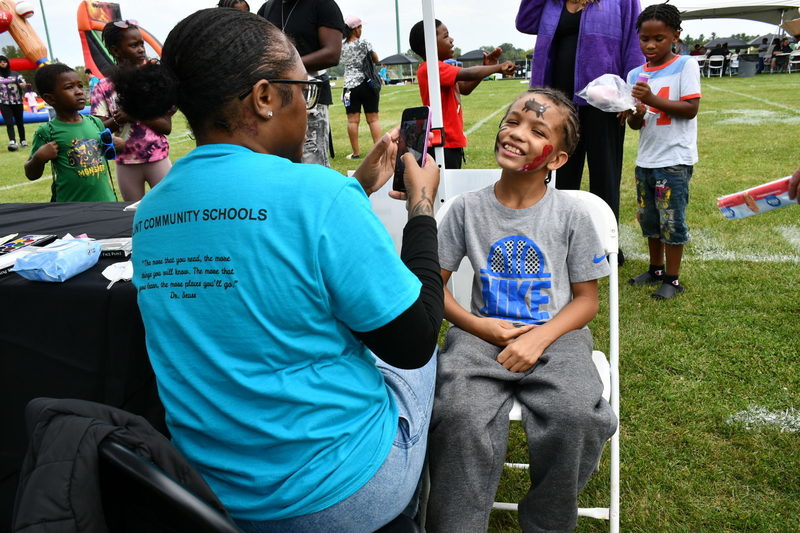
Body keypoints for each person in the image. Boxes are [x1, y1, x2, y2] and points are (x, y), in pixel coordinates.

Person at [115, 8, 443, 531]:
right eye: (304, 88)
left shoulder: (154, 210)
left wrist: (350, 189)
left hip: (213, 492)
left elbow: (248, 248)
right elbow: (414, 339)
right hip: (336, 495)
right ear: (265, 98)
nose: (308, 102)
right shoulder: (317, 195)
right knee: (421, 363)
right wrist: (421, 208)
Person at [426, 87, 616, 532]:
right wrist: (476, 325)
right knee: (456, 415)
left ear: (557, 159)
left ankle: (548, 522)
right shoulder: (464, 210)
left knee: (576, 417)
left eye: (536, 130)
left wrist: (541, 335)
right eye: (512, 121)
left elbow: (587, 300)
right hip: (478, 337)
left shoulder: (573, 215)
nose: (516, 133)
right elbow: (433, 288)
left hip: (558, 337)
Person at [516, 0, 643, 267]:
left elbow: (634, 41)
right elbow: (524, 22)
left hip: (603, 103)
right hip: (557, 105)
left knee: (605, 176)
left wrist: (630, 93)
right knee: (562, 177)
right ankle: (561, 244)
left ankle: (607, 248)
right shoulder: (552, 3)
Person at [622, 3, 700, 300]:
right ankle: (655, 269)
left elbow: (690, 109)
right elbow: (634, 123)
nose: (651, 45)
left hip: (674, 159)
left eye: (659, 39)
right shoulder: (634, 74)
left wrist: (651, 98)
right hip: (646, 158)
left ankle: (673, 278)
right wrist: (636, 112)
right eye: (645, 39)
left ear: (675, 37)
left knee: (671, 220)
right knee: (649, 218)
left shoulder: (685, 65)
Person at [408, 19, 514, 170]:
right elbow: (467, 74)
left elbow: (464, 88)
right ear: (429, 44)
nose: (451, 40)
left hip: (451, 143)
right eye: (446, 36)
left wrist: (486, 67)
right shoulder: (431, 68)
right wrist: (498, 68)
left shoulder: (439, 68)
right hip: (444, 144)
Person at [91, 21, 172, 202]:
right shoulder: (104, 87)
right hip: (126, 163)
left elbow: (166, 127)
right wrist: (119, 119)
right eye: (134, 45)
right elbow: (99, 129)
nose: (141, 49)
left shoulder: (154, 80)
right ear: (116, 50)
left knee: (168, 210)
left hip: (157, 158)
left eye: (141, 44)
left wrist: (135, 113)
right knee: (133, 215)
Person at [258, 0, 344, 167]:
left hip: (309, 97)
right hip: (273, 96)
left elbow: (332, 53)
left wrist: (285, 67)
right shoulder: (267, 8)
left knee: (311, 161)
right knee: (275, 162)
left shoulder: (322, 5)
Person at [24, 64, 118, 202]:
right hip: (70, 207)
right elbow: (31, 174)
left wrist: (115, 144)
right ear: (50, 98)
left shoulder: (95, 122)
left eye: (80, 86)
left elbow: (105, 152)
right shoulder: (47, 131)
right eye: (69, 87)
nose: (79, 91)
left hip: (105, 202)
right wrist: (39, 158)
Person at [340, 15, 381, 159]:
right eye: (360, 27)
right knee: (373, 119)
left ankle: (356, 153)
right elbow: (376, 59)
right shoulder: (364, 43)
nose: (361, 29)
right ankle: (378, 151)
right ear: (355, 29)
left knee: (352, 120)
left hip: (349, 87)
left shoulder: (341, 45)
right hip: (367, 83)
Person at [0, 55, 27, 151]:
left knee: (20, 122)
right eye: (1, 62)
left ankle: (23, 140)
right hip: (4, 102)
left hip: (17, 102)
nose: (3, 63)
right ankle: (12, 140)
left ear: (7, 63)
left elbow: (23, 83)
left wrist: (23, 85)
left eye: (4, 61)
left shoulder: (16, 74)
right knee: (9, 122)